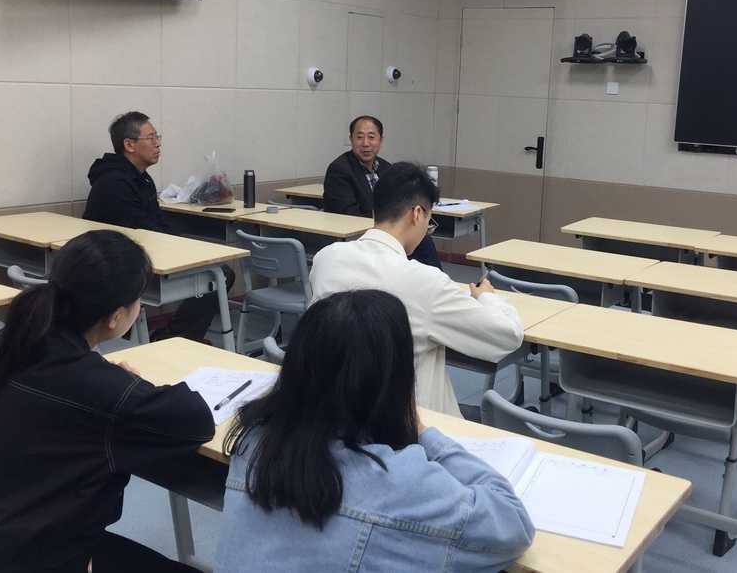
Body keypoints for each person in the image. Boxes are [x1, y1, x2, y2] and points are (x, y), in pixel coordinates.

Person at [0, 230, 215, 573]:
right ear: (115, 316)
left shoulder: (7, 342)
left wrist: (108, 378)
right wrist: (124, 383)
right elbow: (196, 420)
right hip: (31, 557)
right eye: (138, 301)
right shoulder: (97, 387)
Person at [215, 290, 534, 572]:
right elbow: (513, 524)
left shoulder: (253, 441)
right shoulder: (399, 480)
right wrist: (425, 434)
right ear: (394, 381)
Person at [310, 162, 524, 416]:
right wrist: (487, 297)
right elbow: (508, 335)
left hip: (333, 410)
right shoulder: (426, 282)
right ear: (417, 214)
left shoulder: (326, 258)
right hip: (407, 421)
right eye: (429, 221)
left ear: (375, 211)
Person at [83, 111, 234, 342]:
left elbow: (158, 220)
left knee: (217, 269)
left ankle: (176, 337)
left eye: (158, 137)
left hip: (135, 251)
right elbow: (143, 229)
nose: (158, 144)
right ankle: (176, 339)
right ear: (129, 145)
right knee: (220, 274)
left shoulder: (141, 177)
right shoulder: (114, 182)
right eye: (151, 138)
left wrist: (185, 245)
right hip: (115, 261)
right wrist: (181, 249)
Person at [323, 114, 442, 269]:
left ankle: (433, 278)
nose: (366, 143)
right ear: (351, 139)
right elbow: (348, 215)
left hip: (388, 229)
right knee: (422, 245)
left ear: (381, 140)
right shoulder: (340, 169)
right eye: (360, 137)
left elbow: (400, 204)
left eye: (371, 137)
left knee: (423, 240)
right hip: (360, 234)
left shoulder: (387, 168)